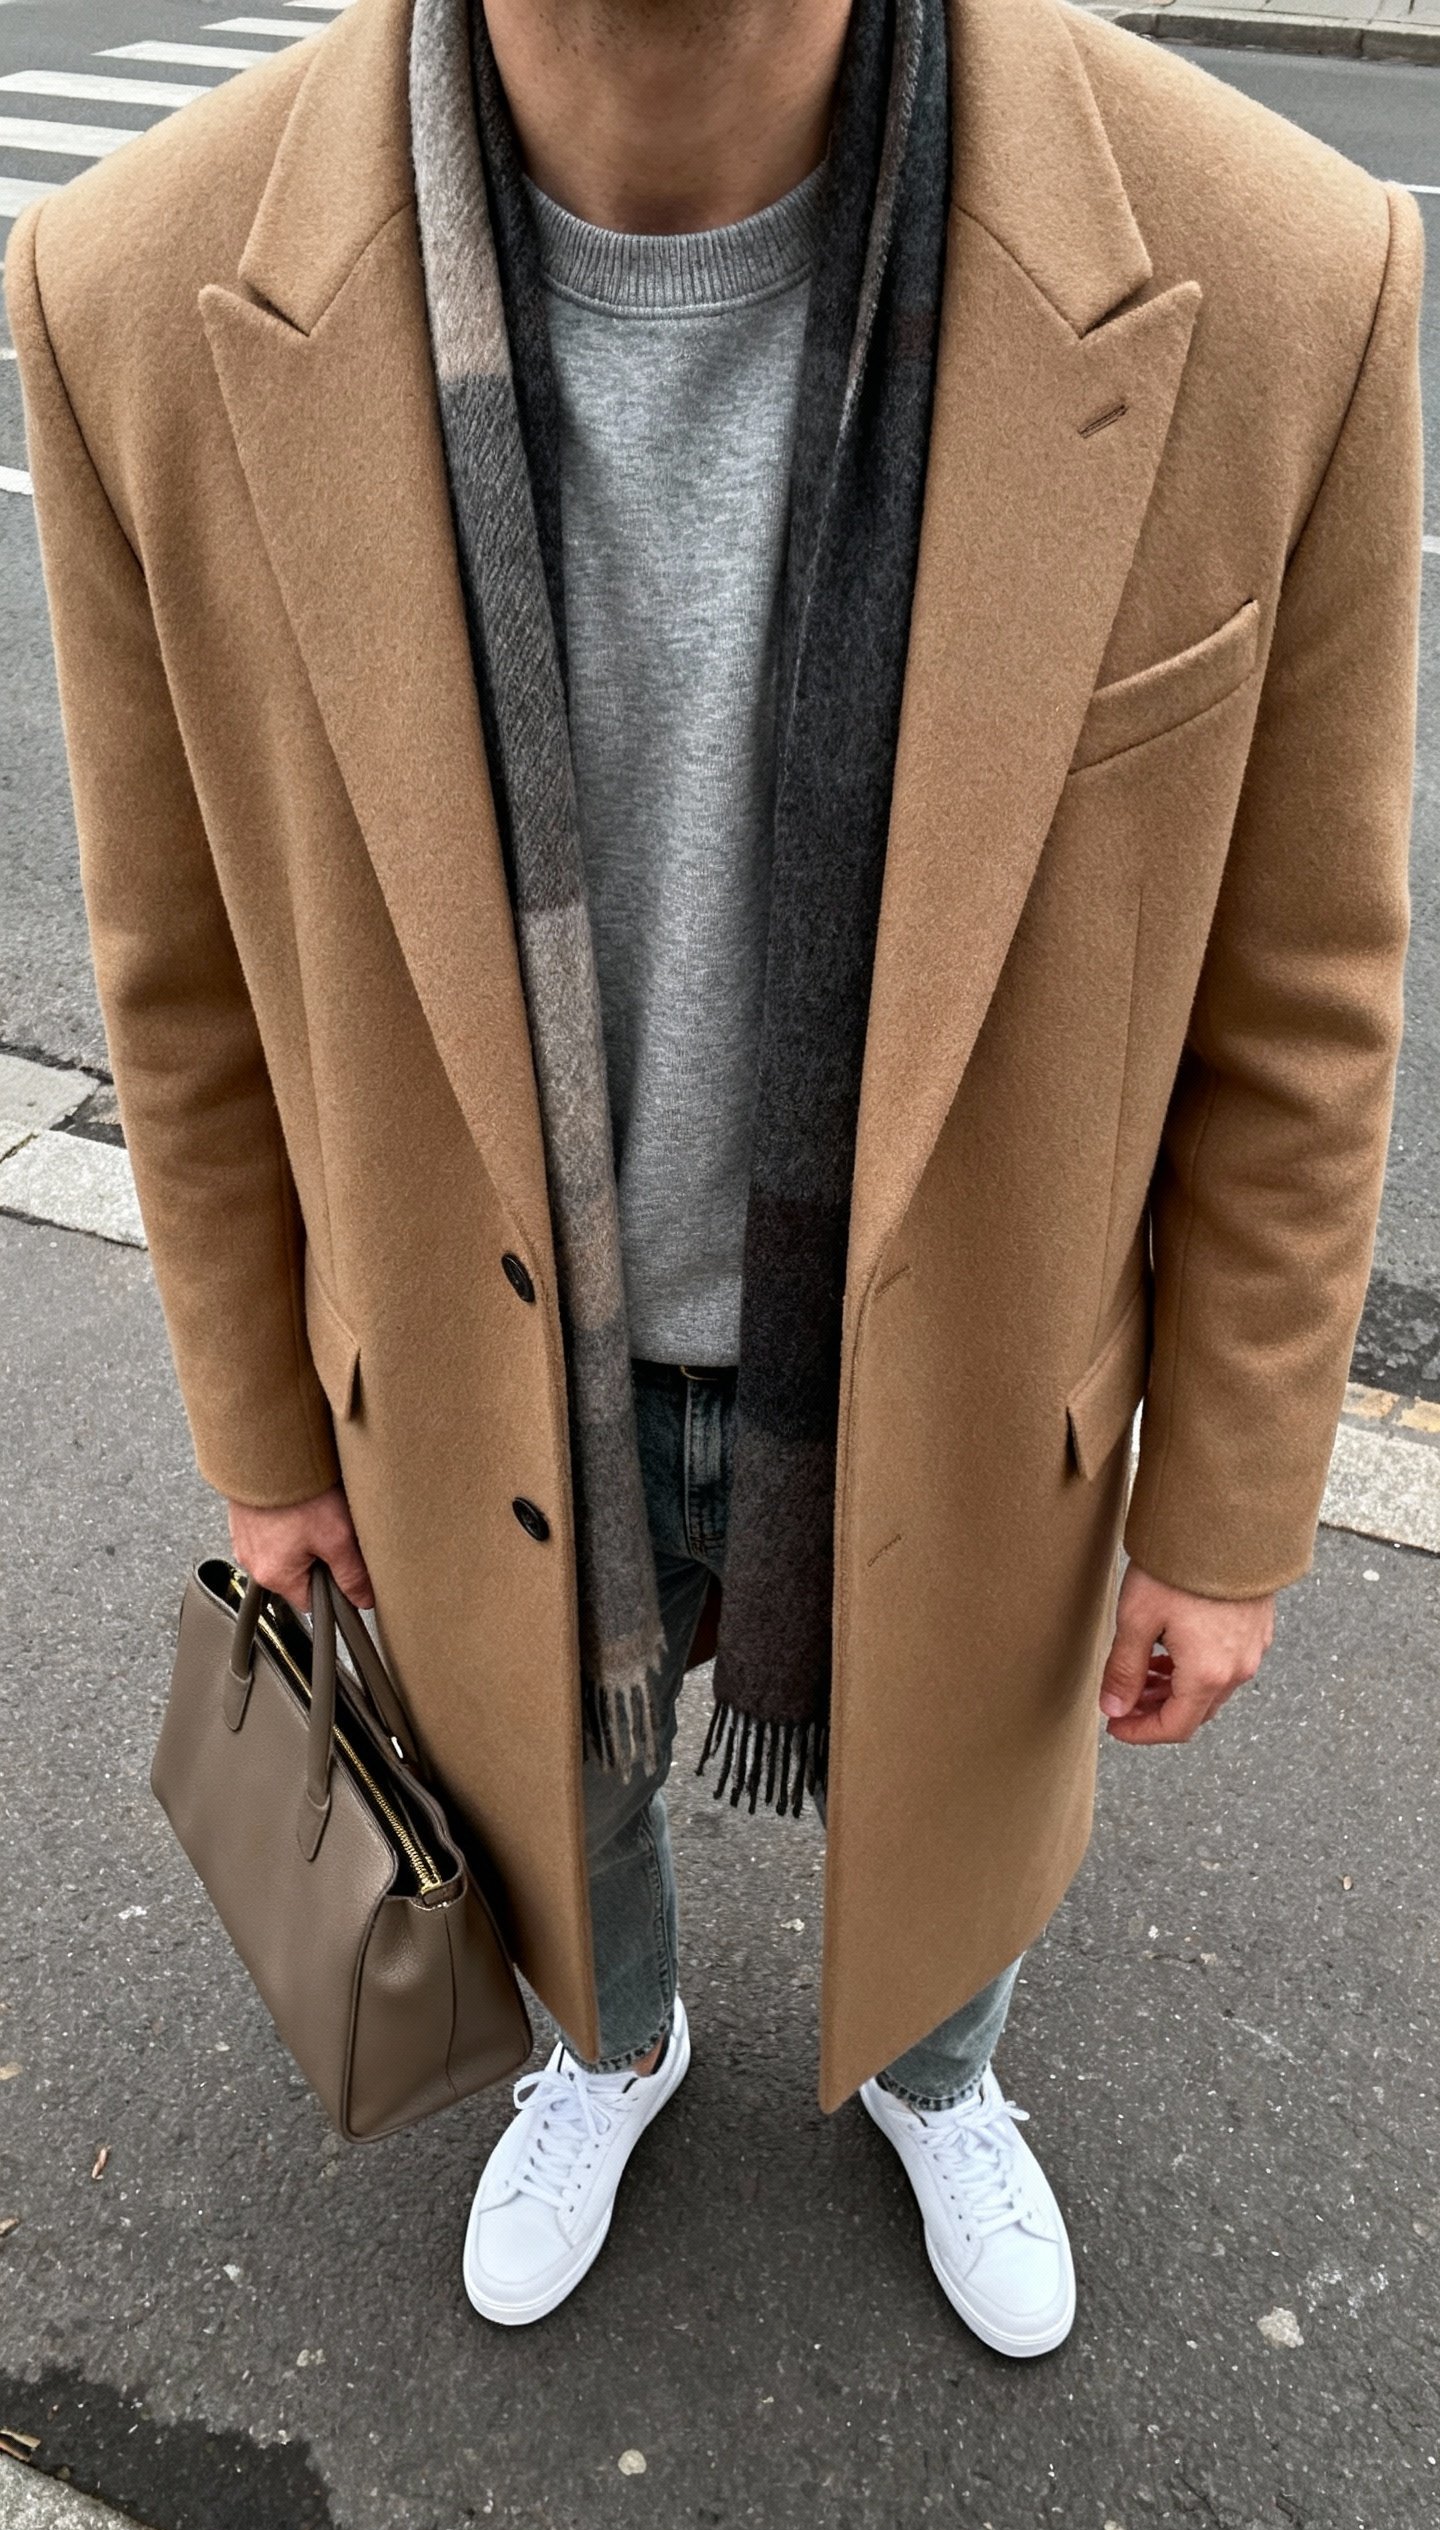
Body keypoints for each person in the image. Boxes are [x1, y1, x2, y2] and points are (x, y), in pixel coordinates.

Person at [6, 0, 1420, 2358]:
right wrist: (264, 1443)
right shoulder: (130, 293)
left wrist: (1235, 1500)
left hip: (968, 1372)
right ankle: (608, 2035)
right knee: (549, 1778)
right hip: (475, 1368)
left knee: (963, 1783)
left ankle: (938, 2061)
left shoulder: (1287, 273)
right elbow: (179, 979)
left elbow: (1298, 993)